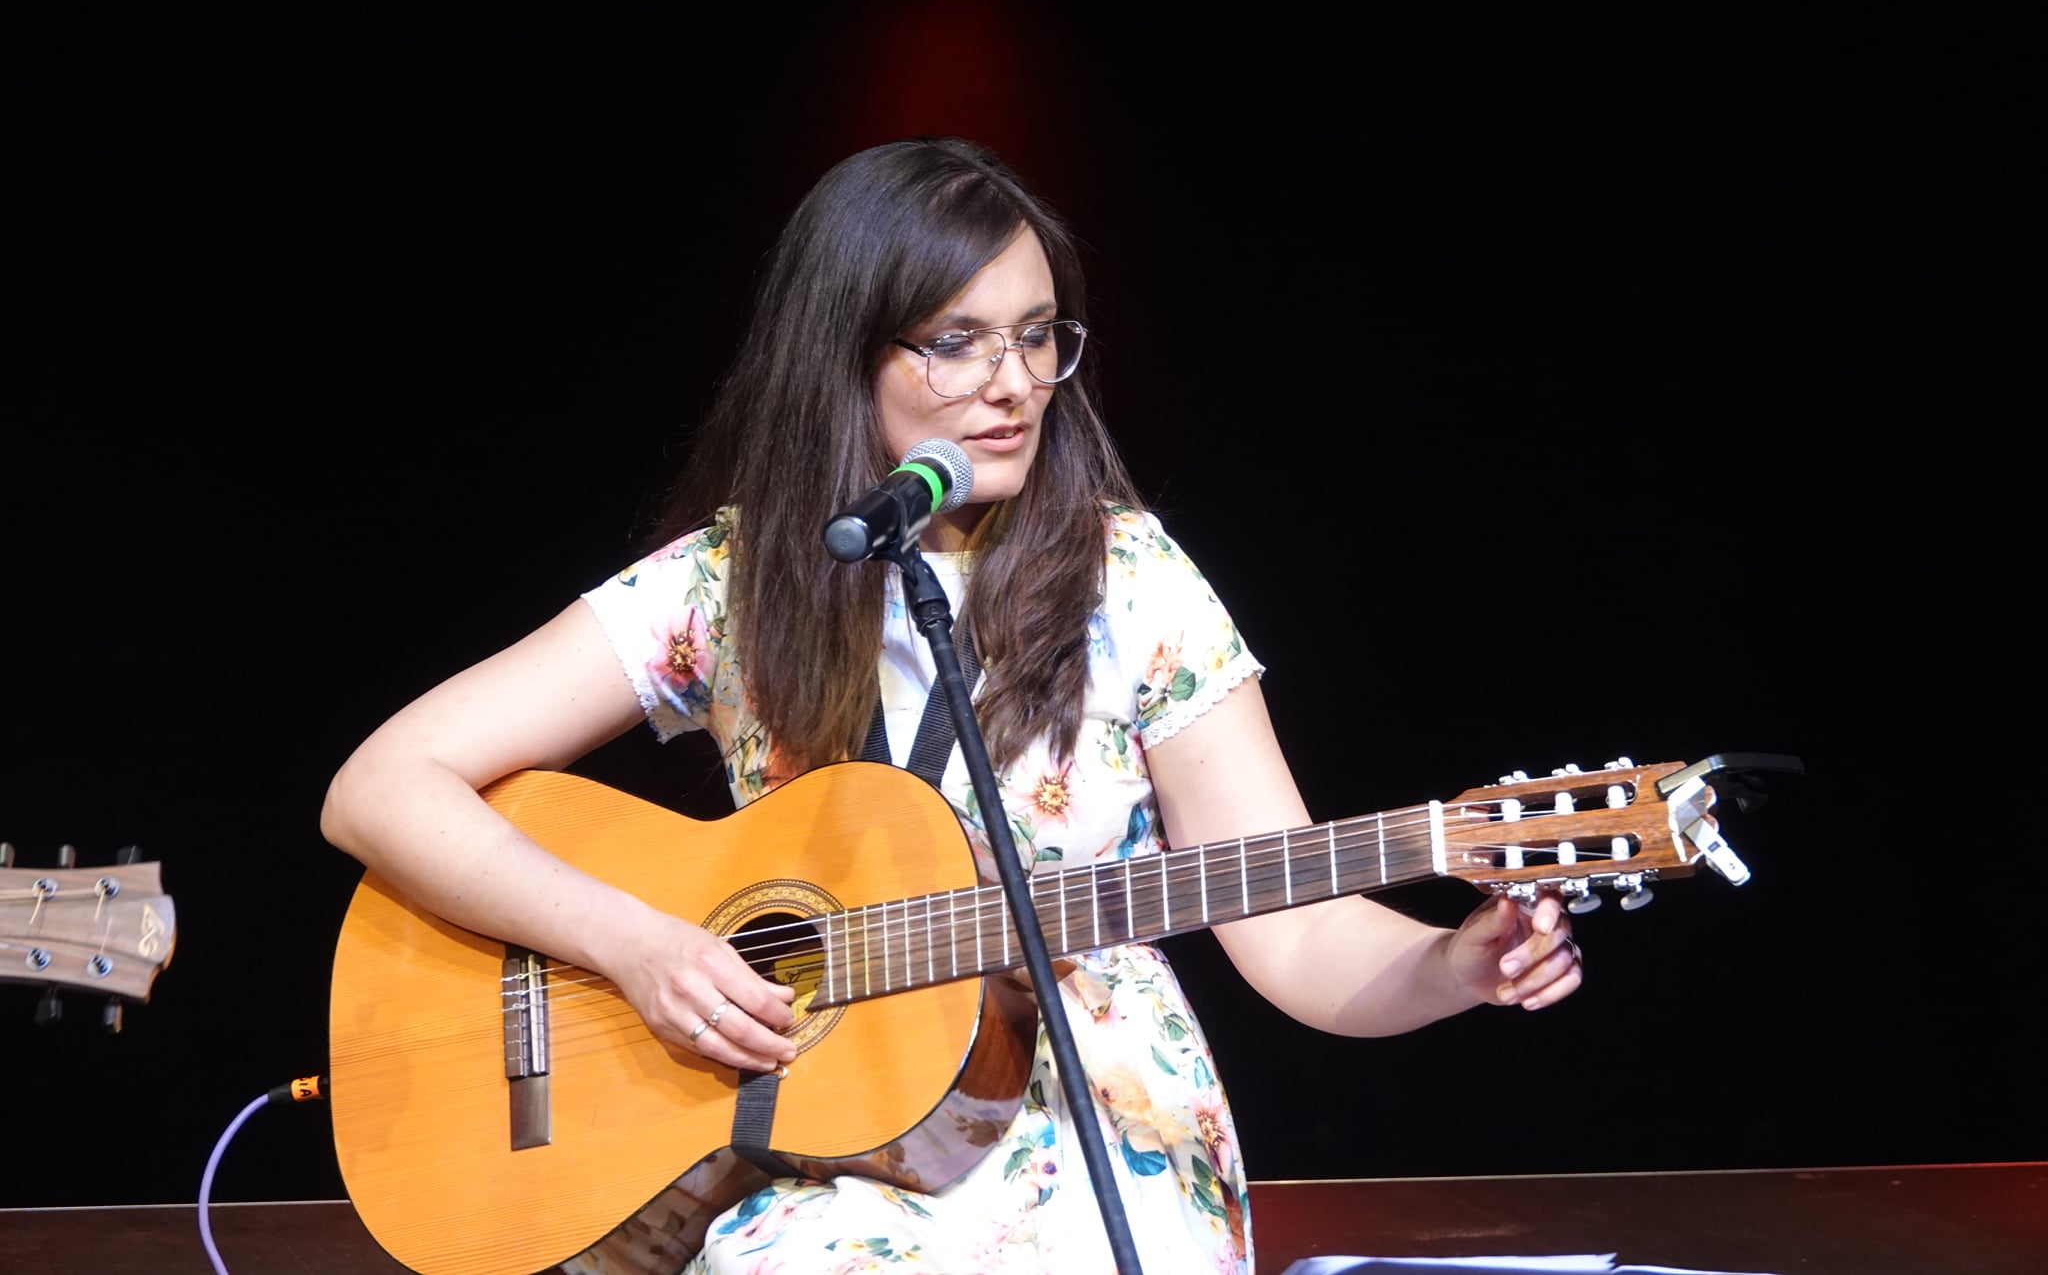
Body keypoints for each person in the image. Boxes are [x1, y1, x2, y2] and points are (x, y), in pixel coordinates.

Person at [320, 135, 1584, 1275]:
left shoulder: (1129, 578)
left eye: (1036, 336)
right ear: (848, 354)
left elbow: (1296, 937)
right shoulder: (728, 582)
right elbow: (380, 786)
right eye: (956, 341)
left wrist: (1448, 966)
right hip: (805, 1132)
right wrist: (634, 945)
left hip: (1084, 1125)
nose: (1012, 382)